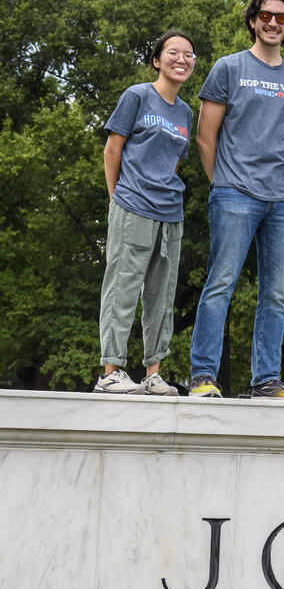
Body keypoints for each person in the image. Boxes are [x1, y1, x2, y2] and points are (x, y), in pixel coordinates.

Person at [189, 0, 284, 400]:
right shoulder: (229, 68)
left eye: (281, 18)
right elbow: (205, 137)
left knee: (275, 294)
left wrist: (277, 180)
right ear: (252, 20)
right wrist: (222, 183)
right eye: (266, 15)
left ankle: (266, 381)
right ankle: (203, 377)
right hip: (233, 194)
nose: (273, 23)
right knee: (220, 284)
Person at [94, 30, 196, 396]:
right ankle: (111, 371)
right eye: (173, 53)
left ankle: (153, 372)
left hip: (170, 212)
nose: (181, 59)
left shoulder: (185, 112)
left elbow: (173, 164)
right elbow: (112, 150)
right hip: (131, 205)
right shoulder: (137, 96)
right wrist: (115, 198)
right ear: (157, 60)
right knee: (122, 286)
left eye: (188, 55)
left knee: (162, 296)